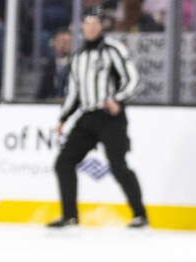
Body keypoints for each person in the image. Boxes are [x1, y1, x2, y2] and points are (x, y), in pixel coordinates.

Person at [49, 10, 146, 229]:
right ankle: (70, 216)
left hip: (110, 117)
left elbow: (133, 80)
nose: (91, 28)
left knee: (118, 165)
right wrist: (64, 118)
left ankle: (140, 214)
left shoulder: (113, 50)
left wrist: (117, 99)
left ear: (101, 27)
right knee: (64, 162)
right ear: (81, 28)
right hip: (87, 117)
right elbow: (74, 92)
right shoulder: (78, 57)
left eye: (95, 24)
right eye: (87, 24)